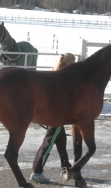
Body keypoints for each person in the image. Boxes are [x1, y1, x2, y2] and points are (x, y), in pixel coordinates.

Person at [30, 53, 76, 183]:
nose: (73, 68)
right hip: (55, 116)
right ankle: (37, 172)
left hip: (54, 114)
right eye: (71, 64)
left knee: (61, 139)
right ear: (63, 64)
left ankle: (66, 166)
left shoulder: (56, 75)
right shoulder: (61, 78)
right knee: (49, 142)